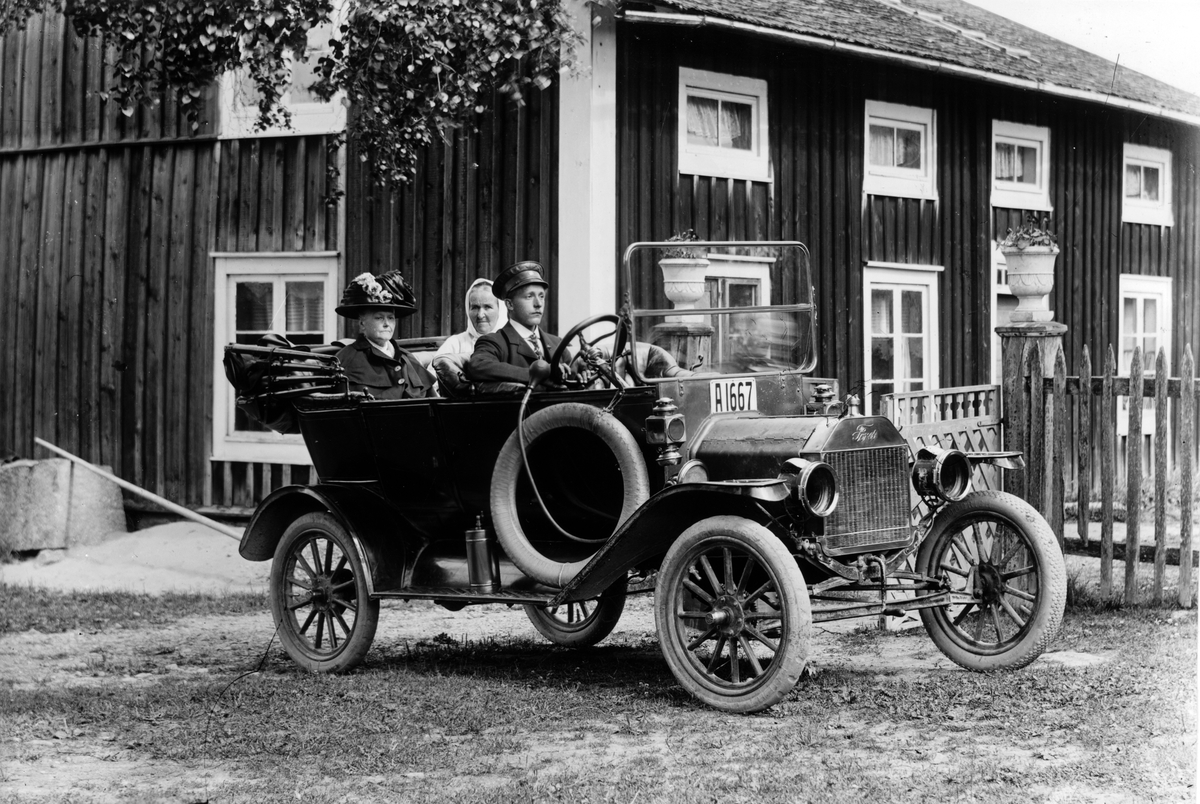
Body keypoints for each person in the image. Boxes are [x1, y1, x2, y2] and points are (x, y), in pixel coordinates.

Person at [335, 270, 437, 400]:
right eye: (379, 318)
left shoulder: (407, 358)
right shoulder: (345, 360)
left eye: (390, 318)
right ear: (362, 323)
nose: (386, 324)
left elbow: (434, 403)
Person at [465, 261, 567, 387]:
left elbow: (573, 374)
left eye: (541, 296)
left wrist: (581, 373)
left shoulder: (557, 343)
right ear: (510, 304)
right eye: (529, 296)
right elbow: (477, 366)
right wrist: (539, 374)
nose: (538, 304)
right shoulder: (493, 342)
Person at [433, 278, 508, 357]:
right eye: (475, 307)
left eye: (487, 307)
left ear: (500, 309)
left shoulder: (510, 345)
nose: (480, 315)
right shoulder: (455, 344)